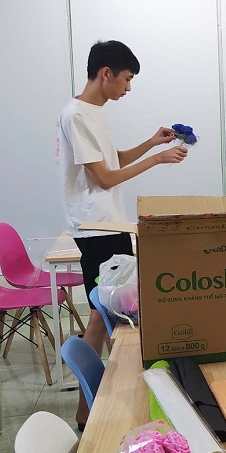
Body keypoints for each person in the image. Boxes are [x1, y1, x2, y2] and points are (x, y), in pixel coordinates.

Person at [57, 40, 188, 430]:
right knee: (110, 316)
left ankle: (89, 409)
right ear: (106, 74)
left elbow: (113, 162)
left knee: (104, 315)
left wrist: (151, 143)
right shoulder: (76, 115)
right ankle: (96, 407)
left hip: (109, 225)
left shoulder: (95, 113)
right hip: (95, 229)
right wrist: (157, 159)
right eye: (127, 79)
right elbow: (104, 178)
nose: (128, 88)